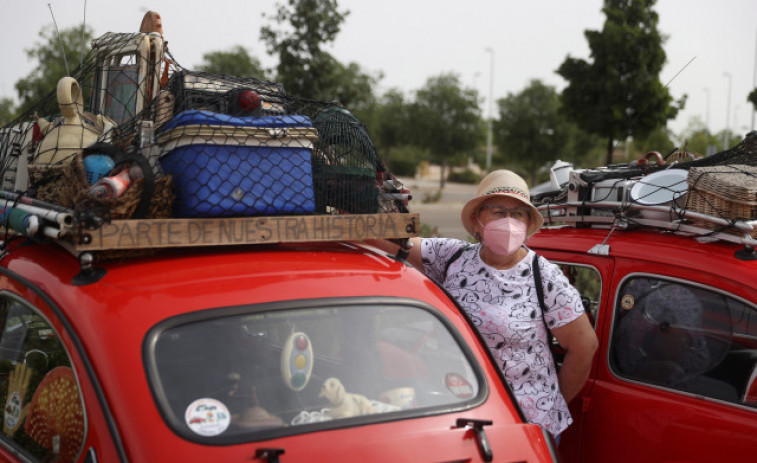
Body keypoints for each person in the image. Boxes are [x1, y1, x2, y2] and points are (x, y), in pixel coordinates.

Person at [368, 169, 598, 439]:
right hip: (462, 413)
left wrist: (549, 406)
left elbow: (585, 346)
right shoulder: (453, 257)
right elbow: (397, 242)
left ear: (527, 224)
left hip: (523, 424)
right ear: (477, 222)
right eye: (498, 212)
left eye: (518, 214)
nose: (509, 221)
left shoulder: (545, 276)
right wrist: (338, 223)